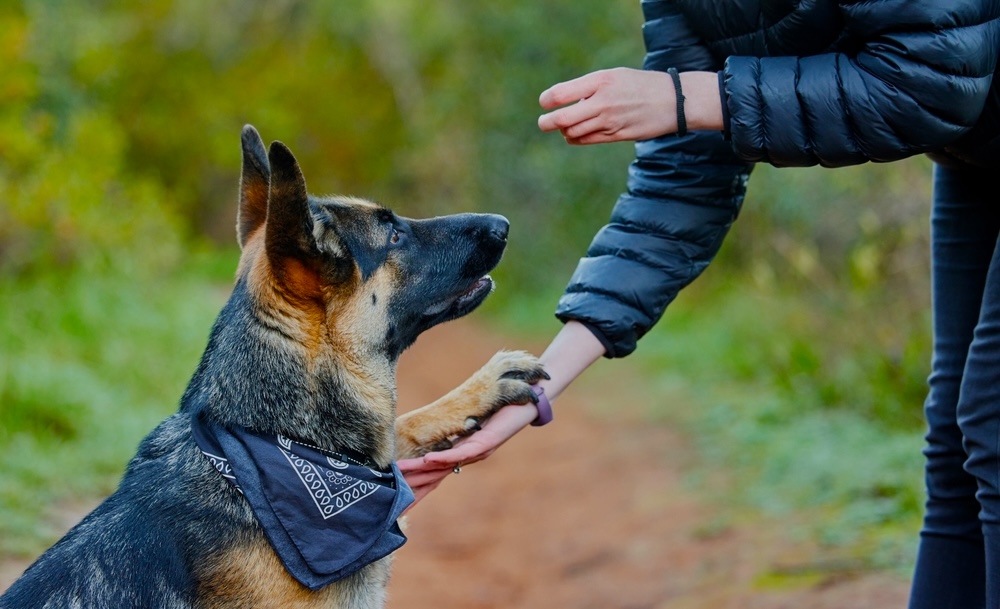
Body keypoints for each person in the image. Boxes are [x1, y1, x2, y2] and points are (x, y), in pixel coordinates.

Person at [397, 1, 1000, 606]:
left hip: (969, 121)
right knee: (955, 438)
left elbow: (932, 79)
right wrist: (535, 390)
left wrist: (687, 99)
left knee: (991, 420)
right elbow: (681, 182)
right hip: (977, 154)